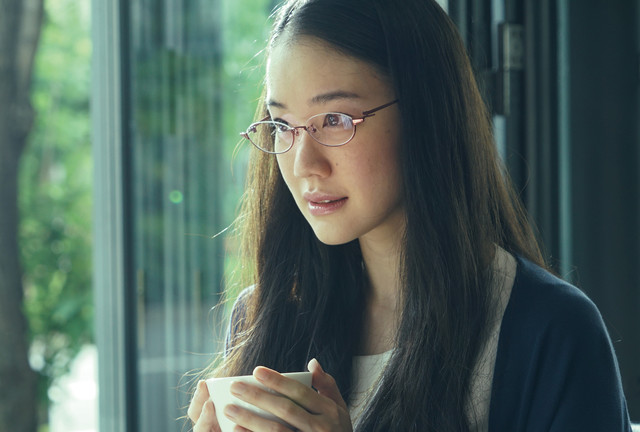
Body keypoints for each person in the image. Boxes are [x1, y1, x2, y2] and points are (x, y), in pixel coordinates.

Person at [188, 0, 633, 430]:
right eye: (282, 125)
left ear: (425, 112)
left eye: (336, 120)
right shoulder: (264, 315)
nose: (304, 163)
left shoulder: (551, 331)